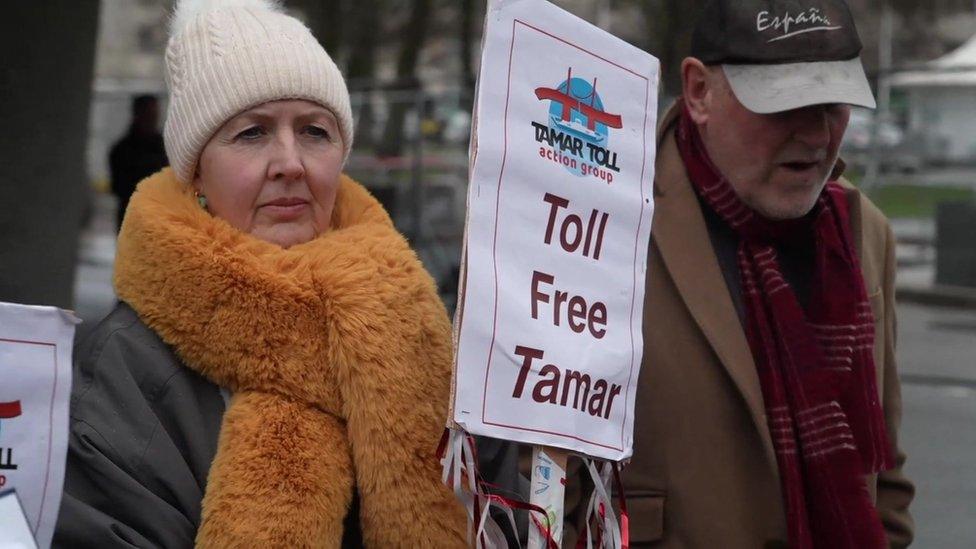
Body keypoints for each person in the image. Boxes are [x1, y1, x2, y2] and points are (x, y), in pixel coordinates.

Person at [53, 0, 467, 547]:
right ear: (196, 171)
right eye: (252, 133)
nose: (290, 162)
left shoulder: (415, 323)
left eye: (315, 132)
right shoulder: (127, 368)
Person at [616, 0, 914, 547]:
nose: (817, 135)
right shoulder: (607, 219)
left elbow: (885, 472)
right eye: (783, 106)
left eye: (834, 103)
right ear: (700, 91)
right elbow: (537, 474)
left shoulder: (863, 232)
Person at [108, 95, 167, 231]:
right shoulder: (122, 150)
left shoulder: (163, 147)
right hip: (132, 216)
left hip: (159, 216)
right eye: (149, 114)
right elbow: (118, 187)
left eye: (154, 114)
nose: (153, 119)